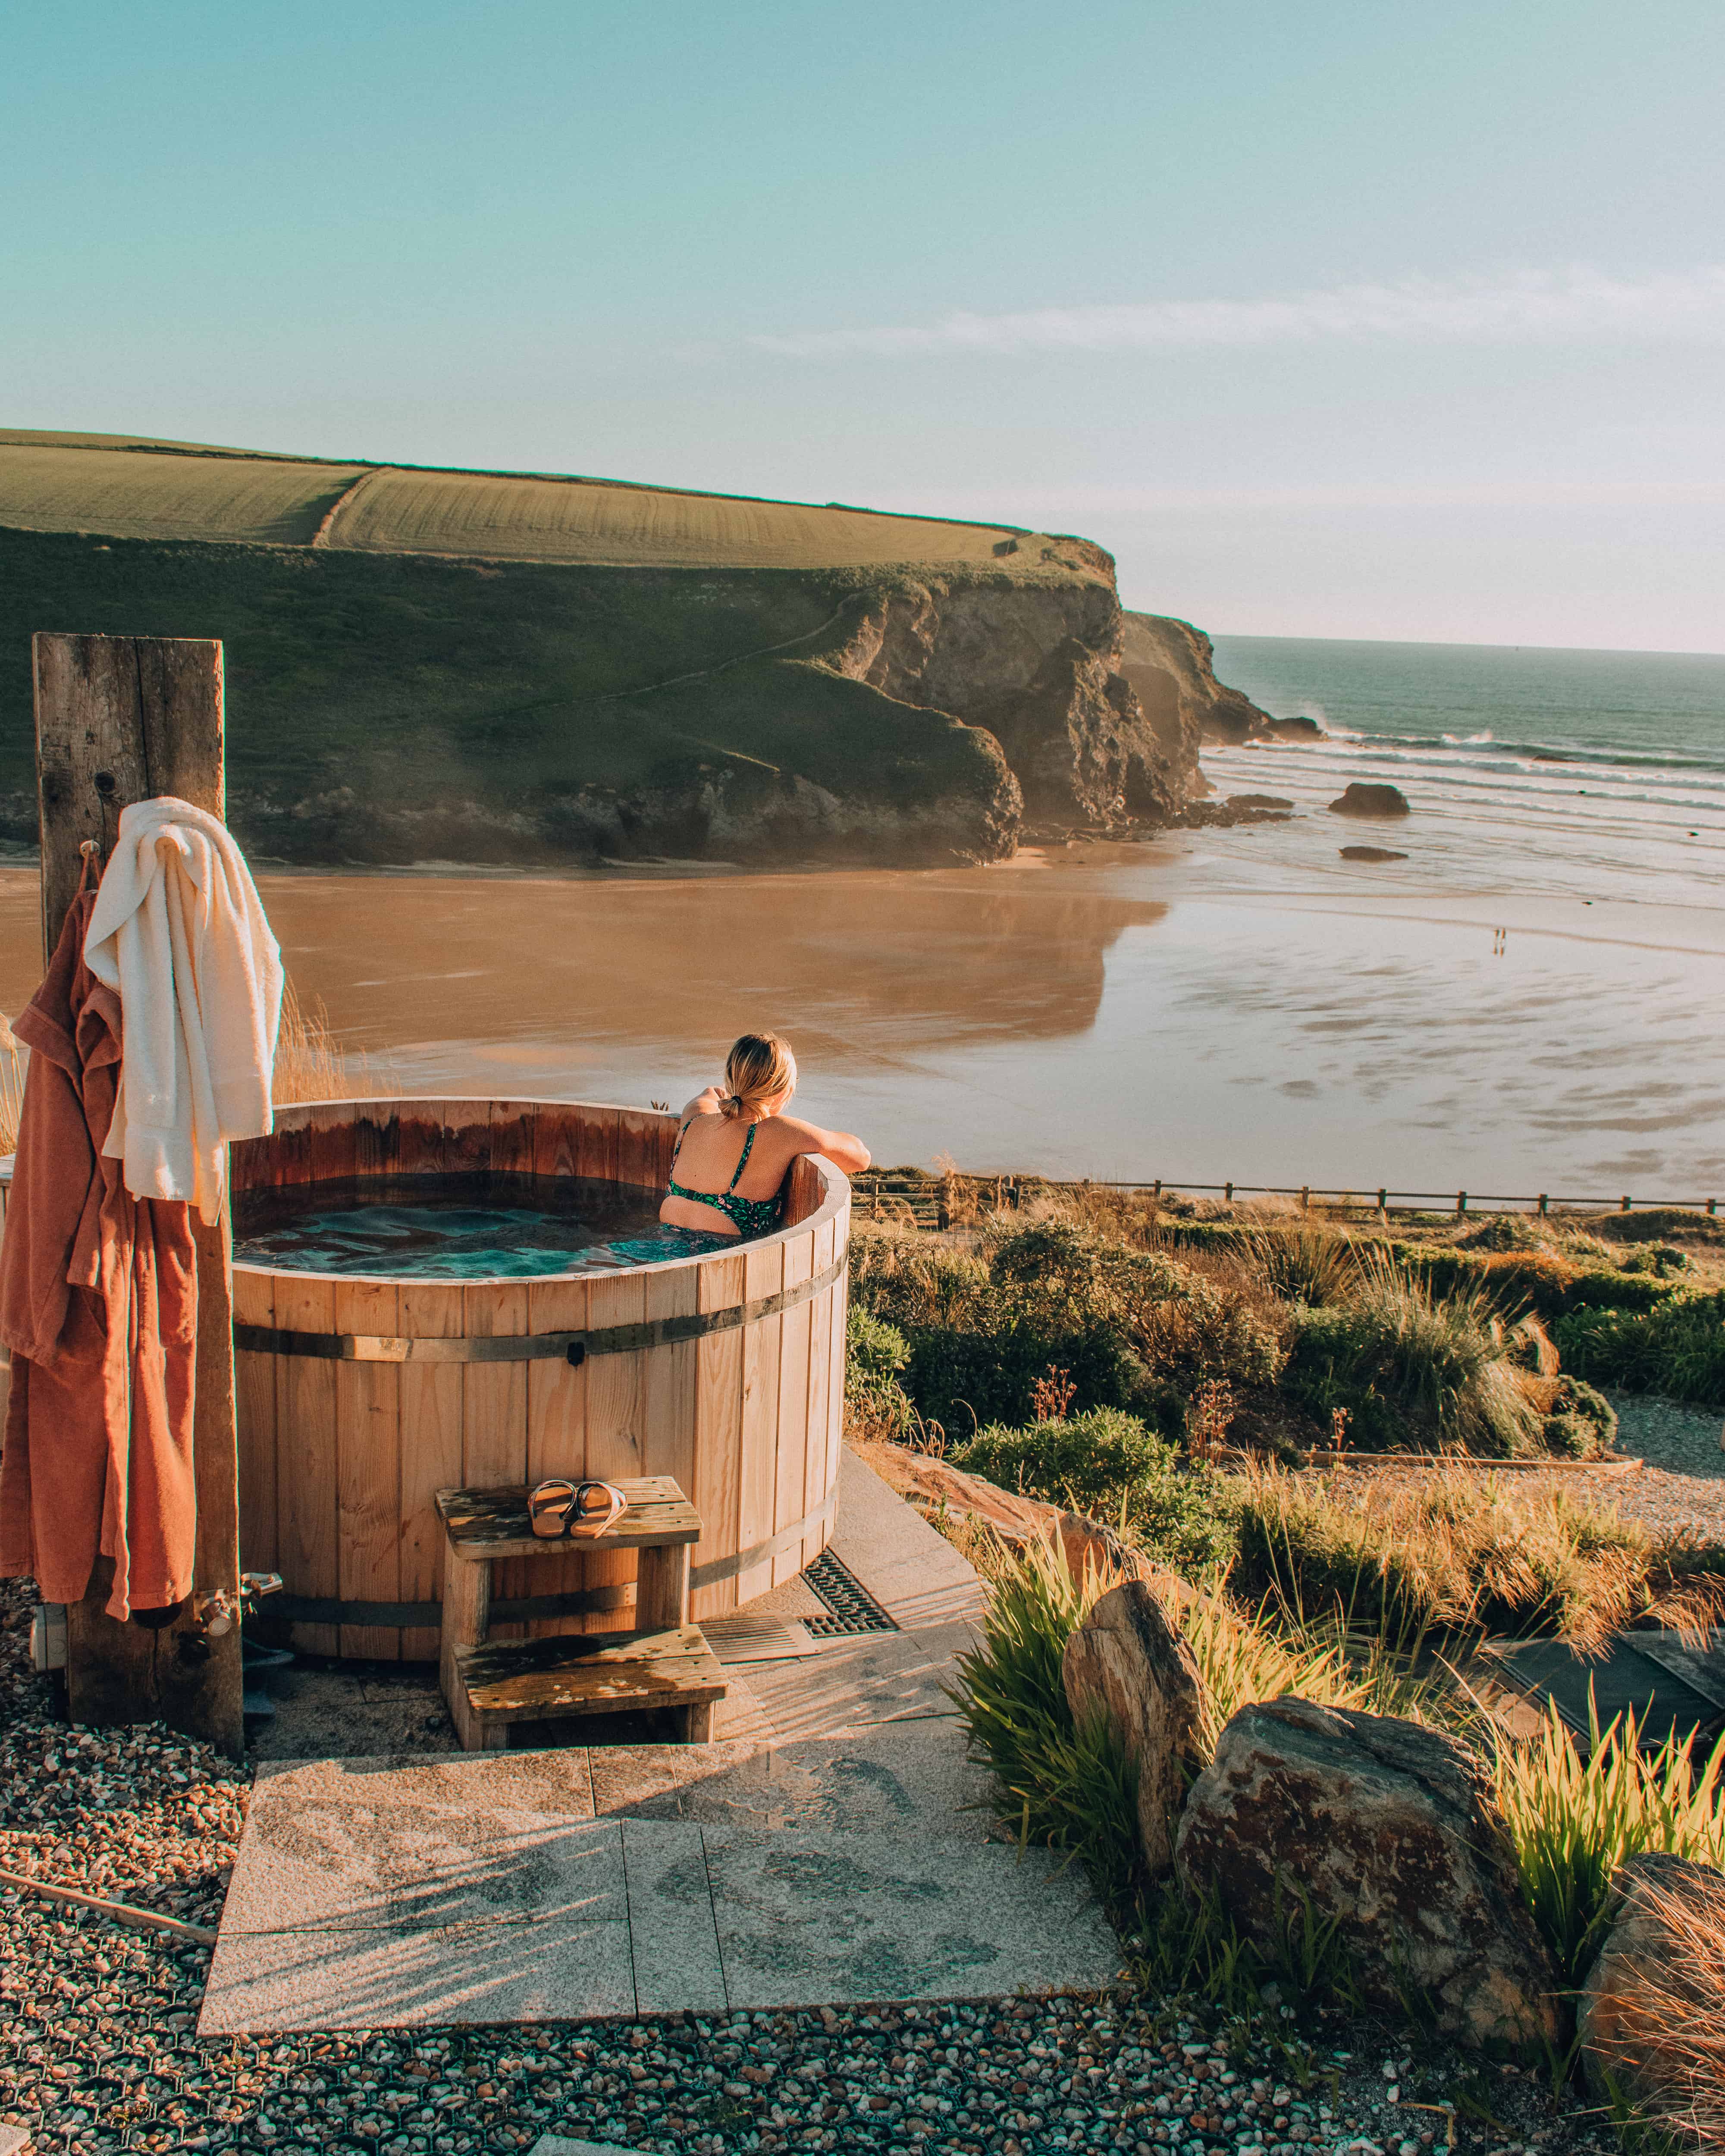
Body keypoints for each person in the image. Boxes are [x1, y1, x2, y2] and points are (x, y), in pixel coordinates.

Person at [660, 1031, 869, 1241]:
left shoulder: (694, 1116)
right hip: (720, 1260)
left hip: (662, 1243)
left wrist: (739, 1091)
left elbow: (713, 1092)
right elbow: (861, 1159)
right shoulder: (779, 1132)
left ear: (729, 1077)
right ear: (783, 1091)